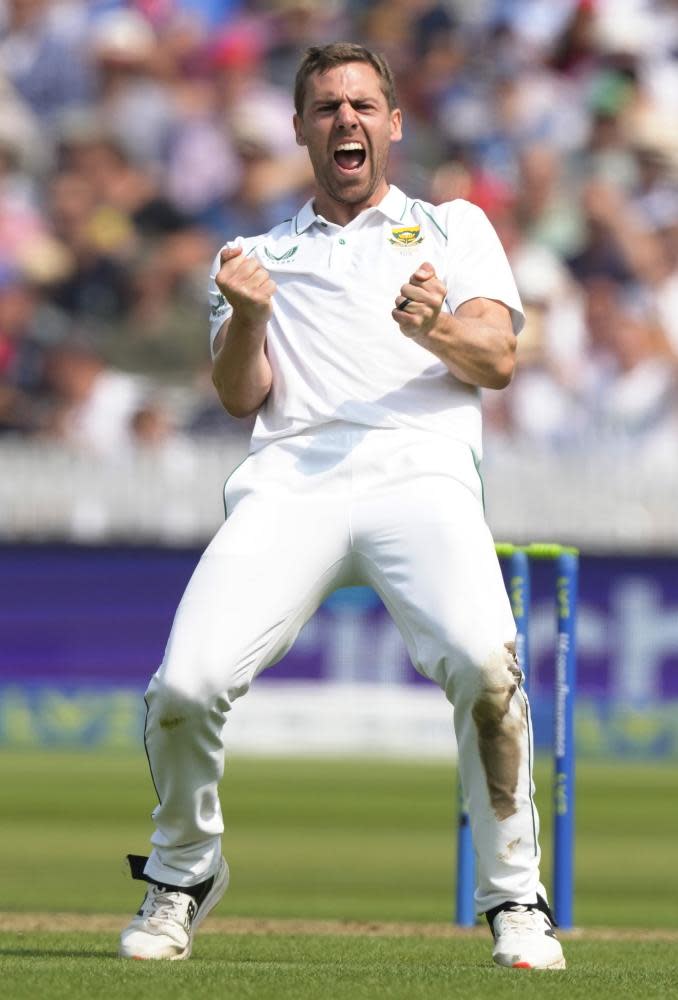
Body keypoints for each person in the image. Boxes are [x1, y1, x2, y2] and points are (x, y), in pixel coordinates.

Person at [119, 42, 566, 971]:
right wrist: (246, 317)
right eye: (326, 108)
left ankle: (515, 897)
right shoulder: (253, 255)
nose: (346, 121)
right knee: (185, 690)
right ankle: (184, 871)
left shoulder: (455, 228)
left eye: (363, 105)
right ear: (300, 130)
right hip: (292, 479)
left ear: (394, 123)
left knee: (489, 670)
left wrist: (434, 328)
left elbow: (498, 360)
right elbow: (242, 398)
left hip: (421, 474)